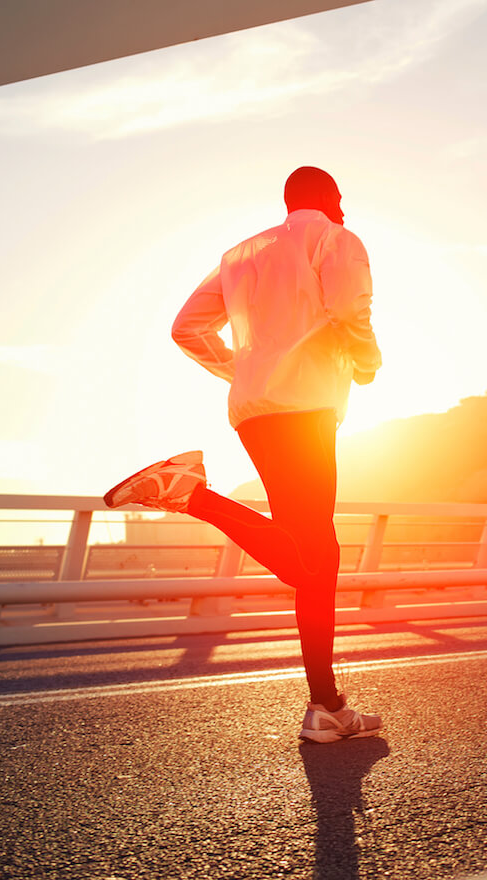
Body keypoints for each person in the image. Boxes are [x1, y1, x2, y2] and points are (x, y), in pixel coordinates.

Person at [104, 167, 383, 744]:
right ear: (331, 199)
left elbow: (187, 329)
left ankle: (326, 705)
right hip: (307, 407)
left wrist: (246, 368)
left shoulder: (240, 255)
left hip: (254, 412)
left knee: (312, 555)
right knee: (314, 556)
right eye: (340, 200)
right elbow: (350, 308)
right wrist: (367, 361)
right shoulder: (335, 238)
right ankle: (195, 496)